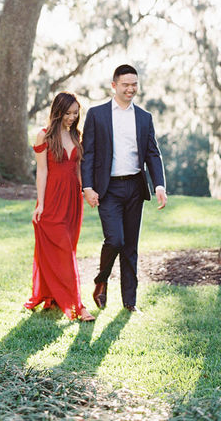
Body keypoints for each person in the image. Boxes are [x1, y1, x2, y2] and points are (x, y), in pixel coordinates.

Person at [82, 64, 167, 313]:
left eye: (134, 84)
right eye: (125, 84)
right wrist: (87, 186)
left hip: (134, 187)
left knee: (130, 247)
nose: (130, 89)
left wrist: (159, 184)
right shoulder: (97, 115)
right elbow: (88, 154)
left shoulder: (144, 117)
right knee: (115, 240)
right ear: (114, 85)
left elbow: (153, 154)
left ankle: (130, 303)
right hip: (107, 189)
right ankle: (101, 280)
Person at [25, 92, 95, 321]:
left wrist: (86, 192)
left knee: (68, 250)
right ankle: (78, 305)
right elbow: (42, 171)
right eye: (68, 113)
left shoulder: (77, 136)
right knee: (62, 252)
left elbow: (78, 170)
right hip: (52, 200)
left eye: (75, 113)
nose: (72, 118)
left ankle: (53, 296)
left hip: (72, 202)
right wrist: (41, 203)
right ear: (57, 112)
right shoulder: (43, 136)